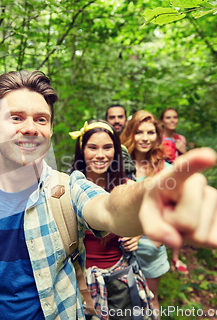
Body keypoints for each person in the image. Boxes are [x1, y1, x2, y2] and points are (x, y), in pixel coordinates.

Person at [0, 70, 217, 320]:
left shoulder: (68, 189)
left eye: (41, 119)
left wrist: (150, 197)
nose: (31, 128)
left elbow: (109, 208)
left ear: (49, 129)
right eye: (16, 118)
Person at [69, 120, 152, 319]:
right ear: (82, 150)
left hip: (120, 280)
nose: (100, 154)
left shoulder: (127, 188)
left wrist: (137, 233)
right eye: (92, 147)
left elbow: (147, 218)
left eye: (107, 147)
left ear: (116, 151)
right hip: (79, 282)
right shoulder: (67, 189)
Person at [119, 110, 174, 316]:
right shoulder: (118, 165)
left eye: (150, 132)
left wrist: (144, 234)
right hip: (120, 247)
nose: (144, 138)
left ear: (157, 136)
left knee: (150, 300)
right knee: (122, 303)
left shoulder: (166, 170)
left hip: (151, 246)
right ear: (131, 133)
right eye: (139, 132)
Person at [160, 108, 189, 273]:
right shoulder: (157, 137)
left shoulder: (180, 139)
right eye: (168, 117)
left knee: (178, 216)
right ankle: (160, 248)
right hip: (163, 179)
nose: (172, 120)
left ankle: (176, 257)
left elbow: (185, 162)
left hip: (179, 180)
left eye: (175, 117)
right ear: (162, 120)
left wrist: (182, 150)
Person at [105, 105, 136, 180]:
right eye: (112, 117)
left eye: (120, 117)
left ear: (126, 120)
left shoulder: (136, 143)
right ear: (106, 121)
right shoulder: (100, 146)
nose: (116, 121)